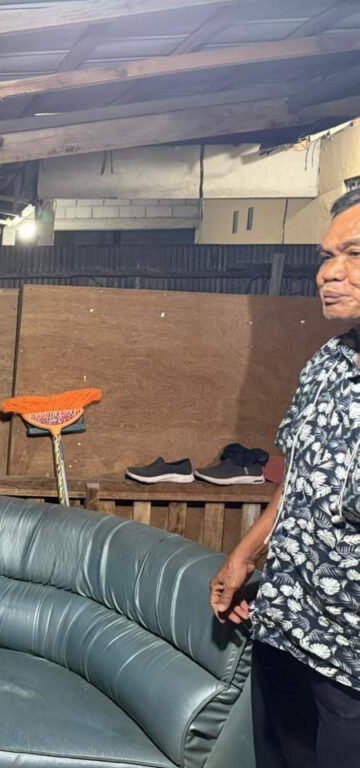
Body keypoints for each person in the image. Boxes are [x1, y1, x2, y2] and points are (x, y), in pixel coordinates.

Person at [210, 187, 360, 767]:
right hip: (285, 631)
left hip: (351, 667)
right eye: (326, 257)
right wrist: (244, 554)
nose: (329, 273)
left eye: (353, 254)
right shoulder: (326, 363)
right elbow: (299, 480)